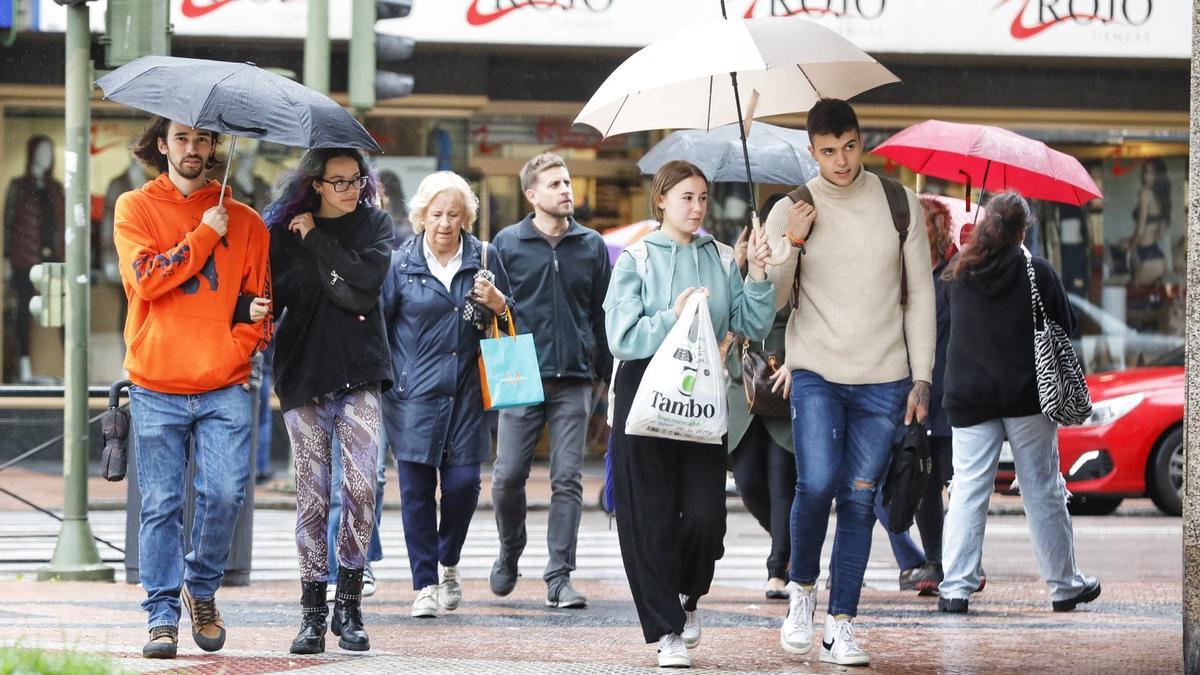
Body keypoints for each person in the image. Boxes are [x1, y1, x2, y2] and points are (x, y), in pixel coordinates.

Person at [764, 98, 935, 666]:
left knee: (859, 501)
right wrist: (792, 243)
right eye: (829, 151)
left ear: (862, 140)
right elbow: (775, 302)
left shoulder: (898, 202)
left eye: (850, 146)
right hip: (815, 369)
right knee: (814, 485)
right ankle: (802, 592)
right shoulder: (792, 207)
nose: (841, 161)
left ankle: (842, 624)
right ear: (811, 152)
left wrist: (923, 375)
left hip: (884, 377)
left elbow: (921, 298)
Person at [605, 159, 775, 668]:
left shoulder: (722, 257)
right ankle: (667, 632)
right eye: (686, 197)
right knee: (650, 516)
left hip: (701, 393)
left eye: (703, 197)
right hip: (643, 391)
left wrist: (759, 272)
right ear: (661, 200)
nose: (697, 207)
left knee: (706, 516)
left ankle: (688, 594)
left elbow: (750, 319)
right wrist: (672, 318)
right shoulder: (634, 259)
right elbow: (622, 336)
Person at [113, 116, 272, 659]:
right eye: (181, 137)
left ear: (213, 147)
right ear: (162, 144)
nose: (192, 148)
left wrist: (234, 349)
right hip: (155, 381)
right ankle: (161, 614)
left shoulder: (248, 221)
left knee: (225, 493)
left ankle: (200, 590)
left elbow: (260, 307)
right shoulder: (135, 207)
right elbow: (148, 279)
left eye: (202, 139)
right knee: (161, 503)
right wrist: (205, 232)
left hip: (223, 384)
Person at [937, 191, 1101, 614]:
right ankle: (1064, 585)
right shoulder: (1037, 271)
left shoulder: (958, 271)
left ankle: (955, 588)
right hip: (1025, 395)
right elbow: (1068, 324)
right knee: (1042, 489)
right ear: (1023, 230)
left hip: (969, 397)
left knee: (969, 488)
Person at [264, 148, 393, 654]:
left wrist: (315, 238)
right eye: (337, 181)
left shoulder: (376, 226)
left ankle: (351, 606)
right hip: (303, 375)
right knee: (312, 498)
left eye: (355, 180)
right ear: (315, 183)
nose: (349, 189)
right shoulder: (281, 235)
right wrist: (250, 304)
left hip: (360, 373)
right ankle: (313, 614)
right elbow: (269, 295)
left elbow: (363, 288)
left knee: (362, 491)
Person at [380, 171, 511, 619]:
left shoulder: (484, 259)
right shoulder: (400, 264)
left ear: (466, 218)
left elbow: (513, 326)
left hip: (466, 396)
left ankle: (448, 559)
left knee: (463, 487)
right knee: (416, 493)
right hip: (412, 397)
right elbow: (381, 327)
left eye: (454, 214)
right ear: (421, 215)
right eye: (436, 214)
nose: (444, 223)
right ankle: (424, 584)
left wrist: (500, 304)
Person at [488, 153, 612, 609]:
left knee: (568, 479)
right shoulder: (506, 244)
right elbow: (493, 315)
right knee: (507, 478)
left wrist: (606, 375)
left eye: (567, 181)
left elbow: (603, 314)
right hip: (520, 369)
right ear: (532, 196)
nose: (565, 189)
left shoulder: (591, 245)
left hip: (576, 379)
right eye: (555, 184)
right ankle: (510, 548)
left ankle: (559, 577)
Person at [726, 194, 795, 602]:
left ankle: (778, 567)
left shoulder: (799, 253)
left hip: (786, 374)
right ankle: (790, 540)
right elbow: (726, 309)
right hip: (745, 383)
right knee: (749, 479)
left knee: (782, 477)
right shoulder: (745, 251)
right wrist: (739, 264)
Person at [4, 135, 65, 383]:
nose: (45, 157)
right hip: (24, 258)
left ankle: (71, 366)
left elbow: (64, 224)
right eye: (41, 152)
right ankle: (24, 367)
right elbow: (9, 224)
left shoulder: (56, 188)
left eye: (49, 152)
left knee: (64, 314)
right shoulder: (19, 186)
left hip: (56, 260)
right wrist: (6, 258)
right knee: (23, 313)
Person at [1130, 157, 1170, 289]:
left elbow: (1141, 231)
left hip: (1148, 257)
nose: (1147, 177)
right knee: (1148, 305)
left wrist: (1130, 249)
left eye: (1152, 173)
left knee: (1134, 299)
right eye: (1146, 172)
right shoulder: (1160, 198)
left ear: (1158, 176)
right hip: (1157, 258)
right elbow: (1159, 235)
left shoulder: (1145, 194)